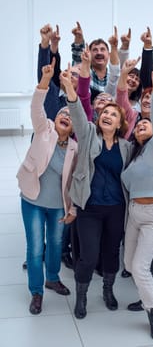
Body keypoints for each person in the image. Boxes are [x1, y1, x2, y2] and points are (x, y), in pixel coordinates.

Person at [61, 65, 131, 319]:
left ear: (121, 123)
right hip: (88, 208)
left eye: (113, 114)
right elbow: (79, 113)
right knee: (88, 256)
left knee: (111, 253)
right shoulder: (89, 135)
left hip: (115, 209)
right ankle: (81, 298)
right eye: (104, 112)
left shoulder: (126, 147)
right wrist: (70, 86)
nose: (107, 115)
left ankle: (108, 291)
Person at [17, 59, 78, 315]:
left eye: (70, 115)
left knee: (54, 245)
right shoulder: (44, 129)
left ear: (75, 125)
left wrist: (71, 207)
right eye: (62, 113)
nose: (65, 116)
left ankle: (52, 278)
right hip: (32, 199)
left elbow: (76, 180)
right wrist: (45, 80)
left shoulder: (76, 148)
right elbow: (36, 106)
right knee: (36, 247)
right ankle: (36, 291)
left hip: (57, 206)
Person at [121, 68, 153, 340]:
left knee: (140, 267)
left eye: (146, 124)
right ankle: (147, 295)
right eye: (138, 125)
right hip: (135, 214)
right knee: (130, 264)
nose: (142, 125)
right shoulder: (134, 155)